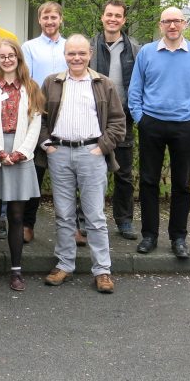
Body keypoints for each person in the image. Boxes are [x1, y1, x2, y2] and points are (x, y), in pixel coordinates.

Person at [37, 35, 126, 294]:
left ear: (89, 54)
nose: (76, 58)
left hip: (91, 153)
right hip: (60, 154)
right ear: (64, 55)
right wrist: (48, 146)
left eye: (81, 53)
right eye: (71, 53)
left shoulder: (103, 84)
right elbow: (38, 119)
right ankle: (65, 264)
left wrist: (102, 148)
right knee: (63, 214)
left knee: (95, 216)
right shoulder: (51, 83)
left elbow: (118, 122)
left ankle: (102, 270)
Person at [129, 7, 190, 259]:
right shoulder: (146, 52)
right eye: (167, 21)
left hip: (184, 126)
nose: (172, 26)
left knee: (182, 185)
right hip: (151, 124)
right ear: (160, 25)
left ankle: (178, 237)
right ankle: (149, 235)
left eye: (177, 21)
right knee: (148, 182)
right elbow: (135, 90)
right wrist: (140, 119)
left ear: (185, 24)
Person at [0, 39, 43, 291]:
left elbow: (35, 123)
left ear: (18, 58)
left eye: (11, 55)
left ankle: (16, 271)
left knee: (17, 216)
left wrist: (21, 152)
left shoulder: (31, 86)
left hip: (21, 153)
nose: (7, 60)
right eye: (2, 56)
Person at [90, 0, 141, 240]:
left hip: (122, 119)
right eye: (109, 14)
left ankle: (124, 221)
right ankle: (87, 219)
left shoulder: (135, 49)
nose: (113, 19)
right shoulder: (90, 47)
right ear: (102, 17)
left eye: (117, 16)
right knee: (90, 172)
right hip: (92, 119)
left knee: (123, 173)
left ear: (124, 20)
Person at [20, 1, 68, 243]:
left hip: (67, 114)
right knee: (35, 172)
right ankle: (28, 224)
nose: (50, 21)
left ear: (61, 19)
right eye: (45, 17)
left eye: (54, 17)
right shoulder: (29, 47)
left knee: (70, 175)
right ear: (39, 20)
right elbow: (26, 79)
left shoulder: (70, 46)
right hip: (37, 113)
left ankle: (74, 227)